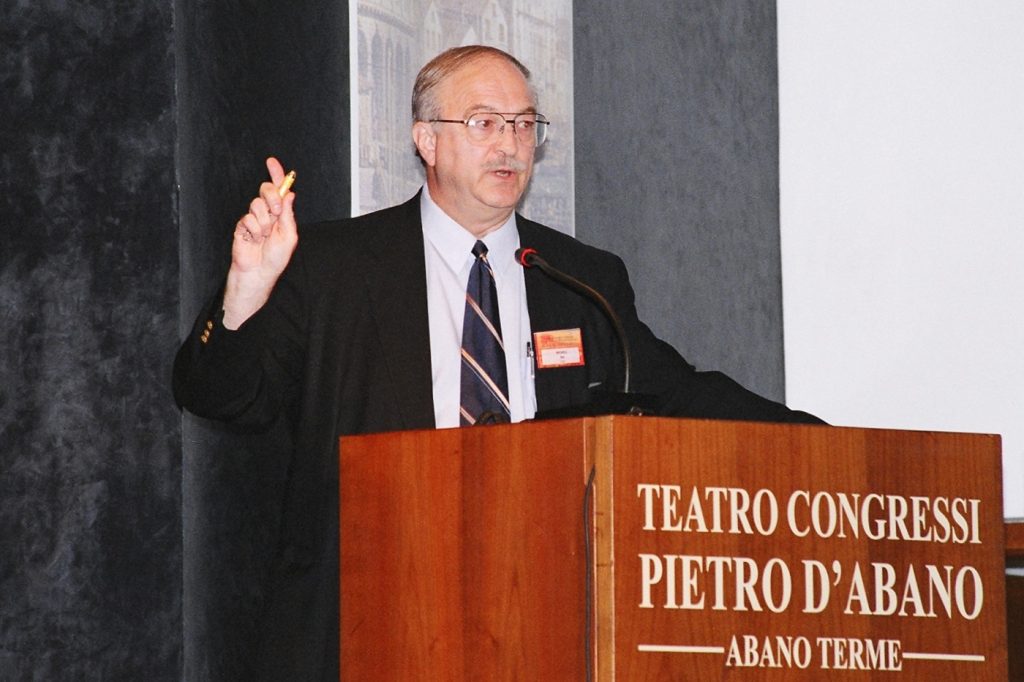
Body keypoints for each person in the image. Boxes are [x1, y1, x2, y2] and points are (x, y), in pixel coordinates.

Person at [174, 45, 821, 681]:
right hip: (369, 619)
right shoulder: (333, 267)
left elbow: (673, 392)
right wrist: (244, 295)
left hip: (542, 616)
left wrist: (821, 446)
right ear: (425, 139)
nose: (510, 145)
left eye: (524, 125)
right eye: (485, 123)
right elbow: (221, 397)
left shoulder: (578, 276)